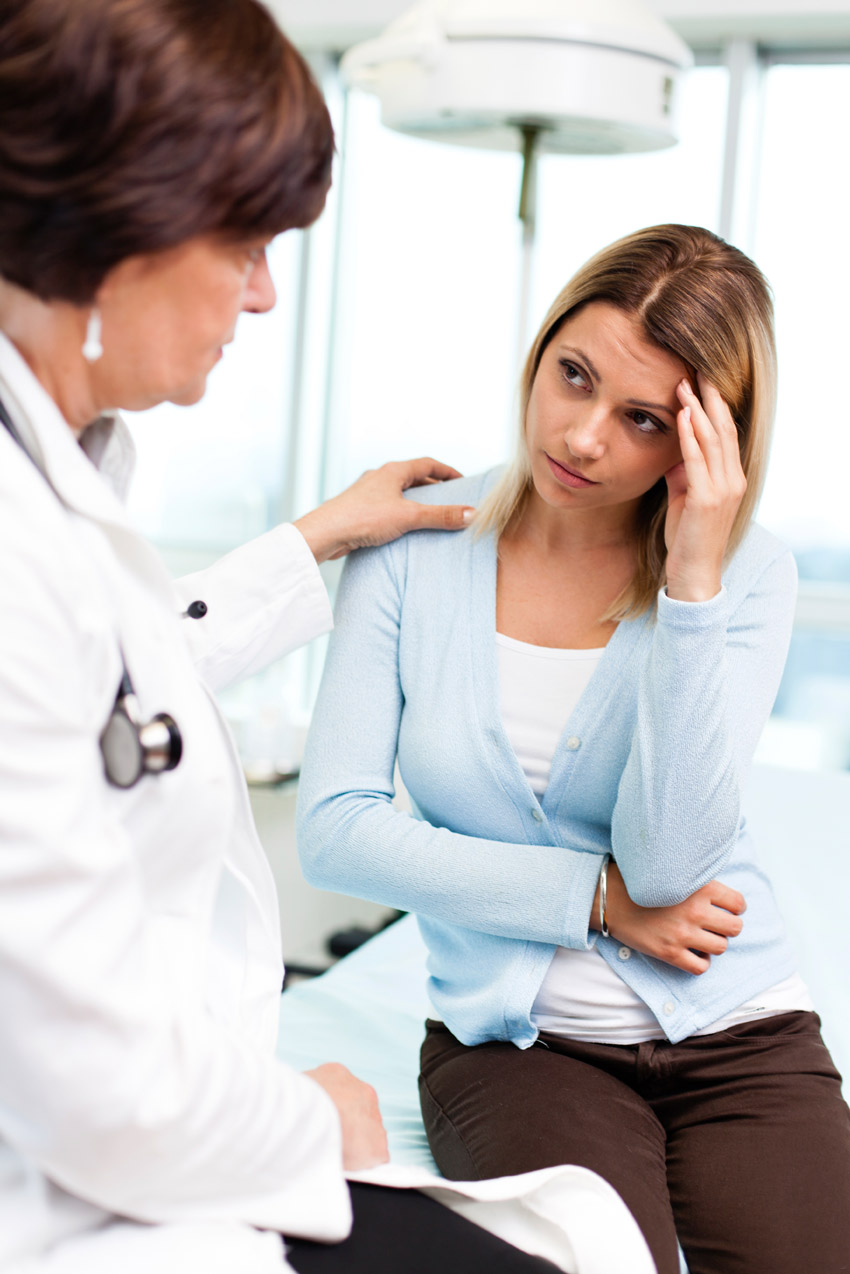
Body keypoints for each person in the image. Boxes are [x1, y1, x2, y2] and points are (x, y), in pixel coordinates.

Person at [0, 2, 566, 1272]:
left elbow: (110, 680)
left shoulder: (51, 474)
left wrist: (314, 538)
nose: (262, 293)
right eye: (246, 239)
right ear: (116, 219)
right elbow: (97, 1087)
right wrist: (307, 1113)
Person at [297, 223, 850, 1274]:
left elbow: (673, 863)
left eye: (640, 418)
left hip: (743, 1035)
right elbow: (335, 831)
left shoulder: (747, 574)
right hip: (520, 1048)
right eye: (573, 375)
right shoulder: (412, 546)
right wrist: (592, 898)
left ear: (700, 444)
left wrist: (690, 585)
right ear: (540, 348)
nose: (584, 435)